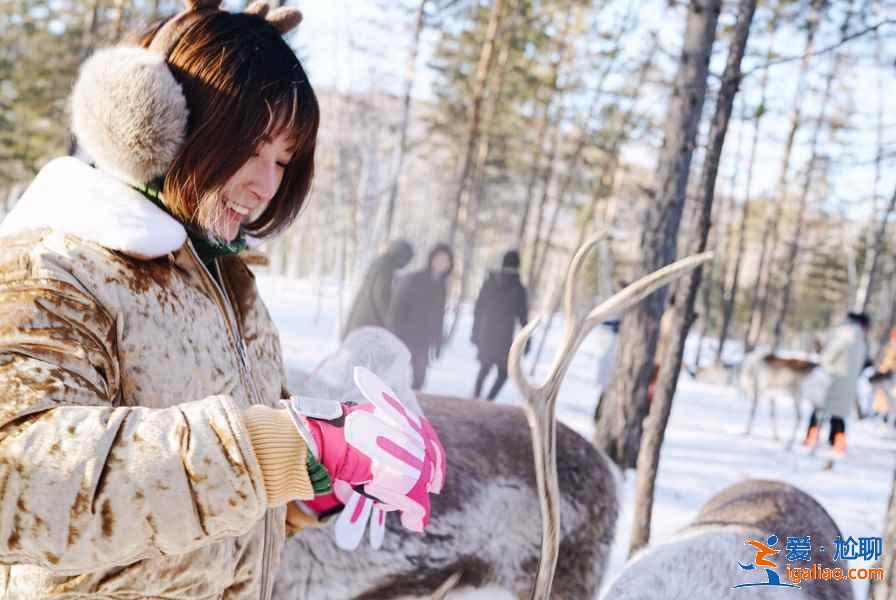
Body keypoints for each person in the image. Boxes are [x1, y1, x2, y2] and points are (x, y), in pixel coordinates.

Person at [0, 1, 443, 597]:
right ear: (166, 126)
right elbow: (18, 482)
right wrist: (280, 443)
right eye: (251, 148)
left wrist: (318, 477)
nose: (265, 186)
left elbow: (214, 511)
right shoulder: (55, 271)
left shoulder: (230, 290)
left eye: (283, 161)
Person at [802, 312, 870, 458]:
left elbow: (828, 357)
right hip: (849, 384)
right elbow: (862, 364)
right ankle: (838, 443)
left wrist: (825, 368)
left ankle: (811, 439)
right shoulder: (862, 342)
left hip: (832, 380)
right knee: (838, 415)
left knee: (818, 412)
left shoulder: (843, 336)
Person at [388, 243, 454, 389]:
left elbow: (438, 316)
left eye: (446, 260)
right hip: (405, 335)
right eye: (439, 259)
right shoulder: (415, 279)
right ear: (431, 259)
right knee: (395, 374)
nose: (442, 263)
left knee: (419, 378)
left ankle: (408, 407)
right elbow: (399, 307)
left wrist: (437, 342)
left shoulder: (442, 286)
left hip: (423, 341)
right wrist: (396, 333)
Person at [471, 250, 529, 400]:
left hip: (496, 337)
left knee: (495, 371)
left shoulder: (514, 287)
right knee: (490, 370)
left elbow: (523, 318)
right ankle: (480, 400)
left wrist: (475, 332)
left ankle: (483, 400)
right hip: (494, 336)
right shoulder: (508, 286)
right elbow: (479, 308)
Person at [343, 239, 414, 340]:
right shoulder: (386, 267)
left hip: (361, 320)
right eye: (407, 260)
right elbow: (381, 296)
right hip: (368, 322)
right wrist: (390, 322)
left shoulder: (380, 263)